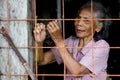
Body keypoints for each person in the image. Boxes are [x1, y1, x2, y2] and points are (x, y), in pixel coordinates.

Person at [33, 1, 111, 80]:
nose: (79, 23)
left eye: (86, 21)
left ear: (98, 27)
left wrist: (59, 41)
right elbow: (42, 61)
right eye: (78, 18)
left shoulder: (102, 46)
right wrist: (39, 42)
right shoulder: (71, 41)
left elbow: (77, 72)